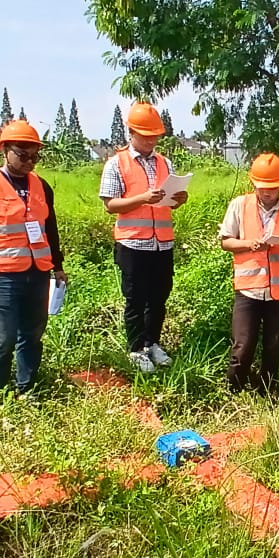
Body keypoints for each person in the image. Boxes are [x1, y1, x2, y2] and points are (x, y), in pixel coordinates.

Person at [0, 119, 67, 394]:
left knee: (32, 335)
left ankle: (26, 390)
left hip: (38, 273)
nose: (29, 161)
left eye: (35, 156)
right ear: (5, 150)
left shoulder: (42, 186)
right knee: (2, 338)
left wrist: (57, 266)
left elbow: (49, 229)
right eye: (22, 155)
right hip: (2, 275)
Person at [99, 102, 188, 373]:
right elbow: (110, 204)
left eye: (155, 135)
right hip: (133, 242)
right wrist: (142, 199)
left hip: (162, 241)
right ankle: (136, 348)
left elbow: (168, 200)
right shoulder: (117, 163)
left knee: (159, 296)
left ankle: (153, 343)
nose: (151, 140)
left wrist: (178, 199)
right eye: (146, 135)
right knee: (136, 299)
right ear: (131, 132)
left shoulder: (164, 162)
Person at [219, 153, 279, 394]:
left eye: (273, 187)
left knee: (273, 346)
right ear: (253, 183)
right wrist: (249, 244)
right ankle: (234, 391)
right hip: (248, 290)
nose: (267, 192)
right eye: (262, 187)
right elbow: (226, 242)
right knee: (243, 345)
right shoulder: (239, 205)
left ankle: (266, 391)